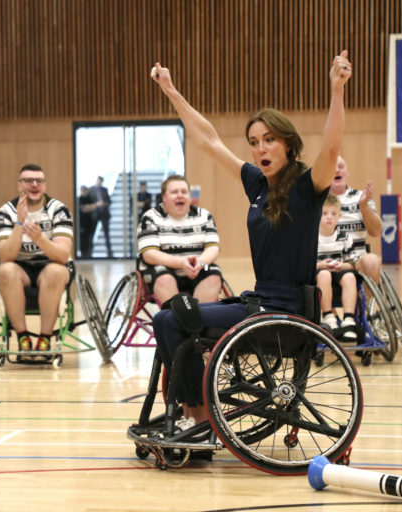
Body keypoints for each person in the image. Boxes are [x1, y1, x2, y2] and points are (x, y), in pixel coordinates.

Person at [148, 50, 351, 428]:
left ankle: (199, 417)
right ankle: (194, 411)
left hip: (283, 311)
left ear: (287, 144)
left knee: (172, 321)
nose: (260, 149)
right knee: (165, 318)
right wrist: (171, 92)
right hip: (257, 303)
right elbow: (209, 141)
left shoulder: (307, 187)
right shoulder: (257, 184)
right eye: (254, 142)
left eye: (269, 140)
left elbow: (331, 148)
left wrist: (336, 90)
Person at [0, 164, 74, 352]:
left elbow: (62, 256)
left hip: (52, 264)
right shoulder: (6, 211)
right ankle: (23, 337)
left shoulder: (59, 210)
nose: (34, 185)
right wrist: (19, 222)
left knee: (55, 272)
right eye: (28, 181)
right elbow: (6, 255)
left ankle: (45, 338)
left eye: (39, 181)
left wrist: (40, 238)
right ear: (19, 185)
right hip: (20, 266)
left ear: (44, 185)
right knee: (5, 271)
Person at [138, 174, 222, 305]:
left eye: (184, 192)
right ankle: (179, 315)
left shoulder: (204, 216)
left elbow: (213, 248)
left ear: (189, 196)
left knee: (213, 273)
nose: (180, 195)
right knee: (164, 278)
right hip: (163, 270)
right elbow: (149, 255)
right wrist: (181, 263)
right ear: (164, 197)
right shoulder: (150, 217)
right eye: (174, 192)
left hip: (198, 267)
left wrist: (200, 262)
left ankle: (200, 315)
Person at [330, 155, 382, 283]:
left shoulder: (361, 196)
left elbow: (376, 231)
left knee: (373, 261)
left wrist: (364, 206)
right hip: (325, 260)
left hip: (356, 261)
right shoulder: (316, 199)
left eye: (341, 167)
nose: (337, 170)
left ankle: (368, 296)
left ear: (347, 172)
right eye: (332, 167)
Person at [316, 195, 357, 341]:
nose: (329, 217)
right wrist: (321, 265)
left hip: (339, 271)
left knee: (350, 276)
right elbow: (305, 264)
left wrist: (341, 265)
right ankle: (329, 317)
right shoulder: (312, 237)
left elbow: (353, 263)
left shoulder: (344, 236)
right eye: (325, 213)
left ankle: (349, 320)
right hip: (319, 273)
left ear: (339, 216)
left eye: (333, 214)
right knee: (324, 275)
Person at [89, 176, 113, 257]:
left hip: (104, 214)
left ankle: (109, 251)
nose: (99, 182)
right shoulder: (91, 190)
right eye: (99, 181)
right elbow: (89, 201)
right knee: (92, 233)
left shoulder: (105, 190)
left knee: (106, 233)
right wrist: (96, 204)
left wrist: (104, 203)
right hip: (95, 214)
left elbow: (109, 201)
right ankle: (89, 250)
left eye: (101, 181)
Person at [78, 185, 96, 258]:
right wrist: (89, 207)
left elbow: (94, 207)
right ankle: (83, 255)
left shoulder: (90, 198)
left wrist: (88, 207)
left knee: (90, 239)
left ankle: (89, 254)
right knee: (83, 240)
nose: (84, 192)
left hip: (90, 223)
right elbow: (83, 209)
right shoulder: (79, 199)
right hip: (82, 223)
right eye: (83, 190)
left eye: (85, 190)